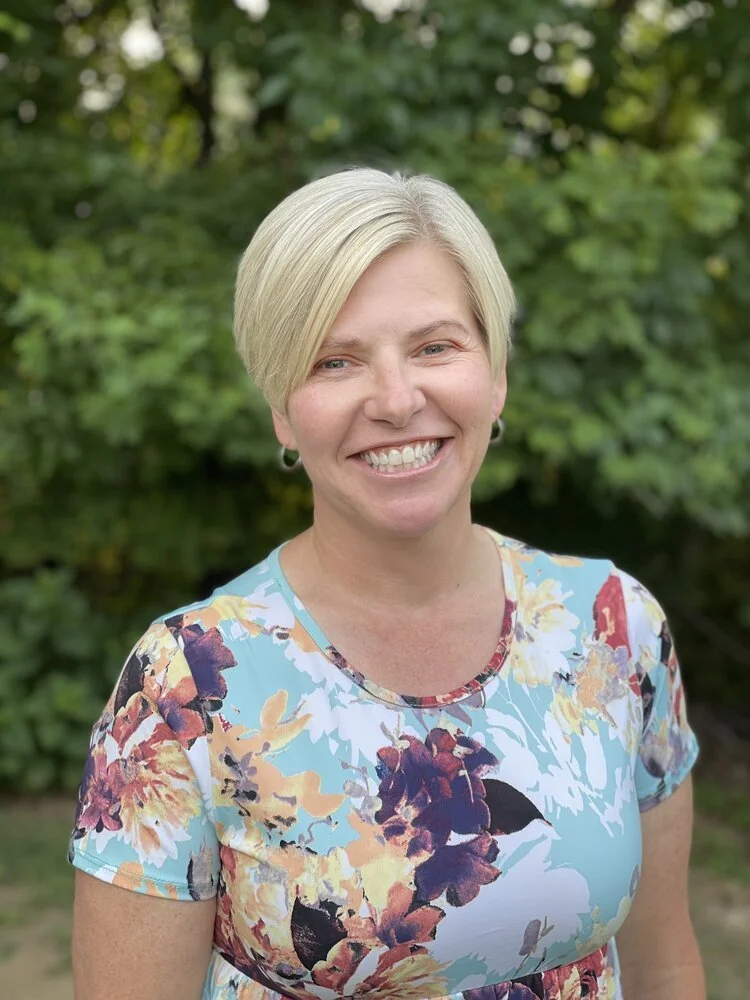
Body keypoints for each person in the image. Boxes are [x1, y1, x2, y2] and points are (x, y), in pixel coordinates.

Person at [69, 168, 705, 1000]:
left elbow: (665, 962)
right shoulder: (185, 684)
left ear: (496, 372)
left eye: (436, 346)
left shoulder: (615, 627)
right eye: (336, 361)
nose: (398, 400)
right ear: (283, 412)